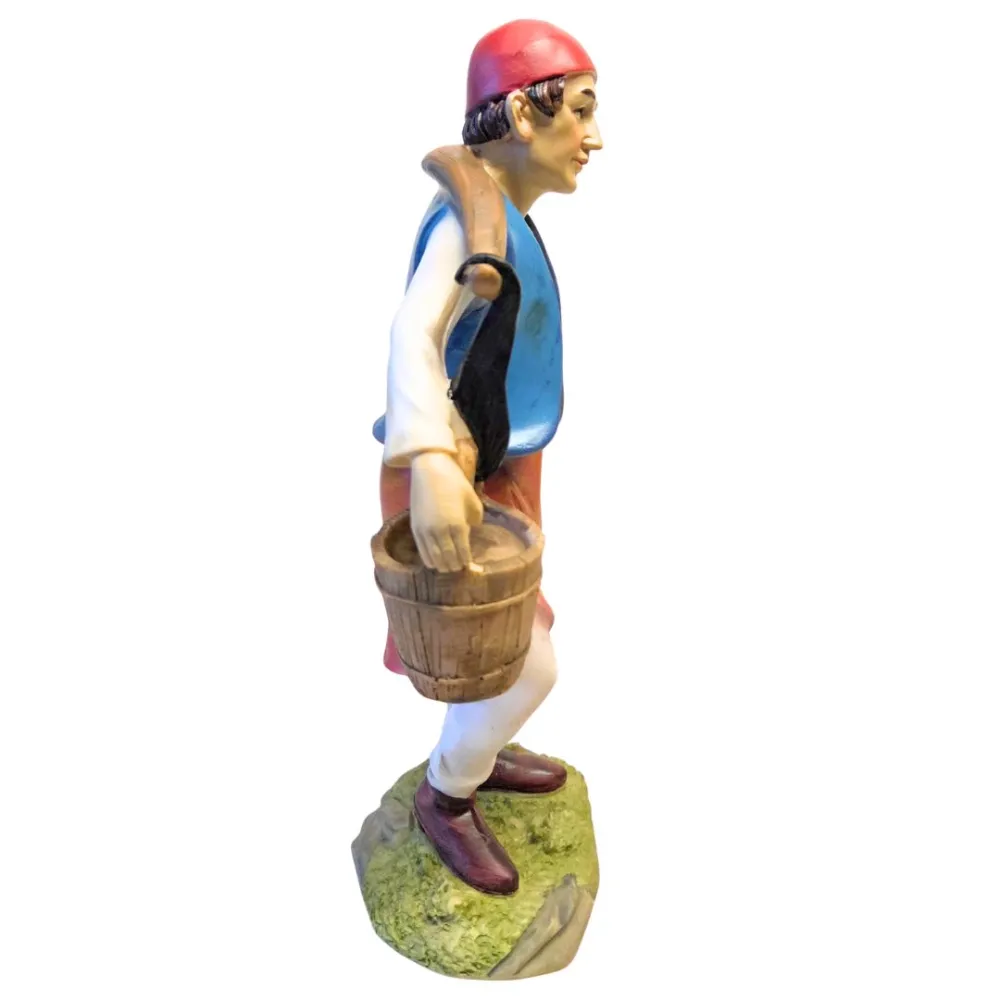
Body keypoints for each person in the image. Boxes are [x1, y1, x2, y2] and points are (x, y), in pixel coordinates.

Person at [372, 19, 602, 895]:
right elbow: (412, 333)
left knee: (509, 641)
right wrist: (431, 459)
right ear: (522, 112)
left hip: (499, 467)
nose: (594, 136)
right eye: (579, 110)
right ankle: (448, 793)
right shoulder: (468, 222)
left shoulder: (504, 216)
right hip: (456, 473)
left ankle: (481, 743)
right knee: (530, 662)